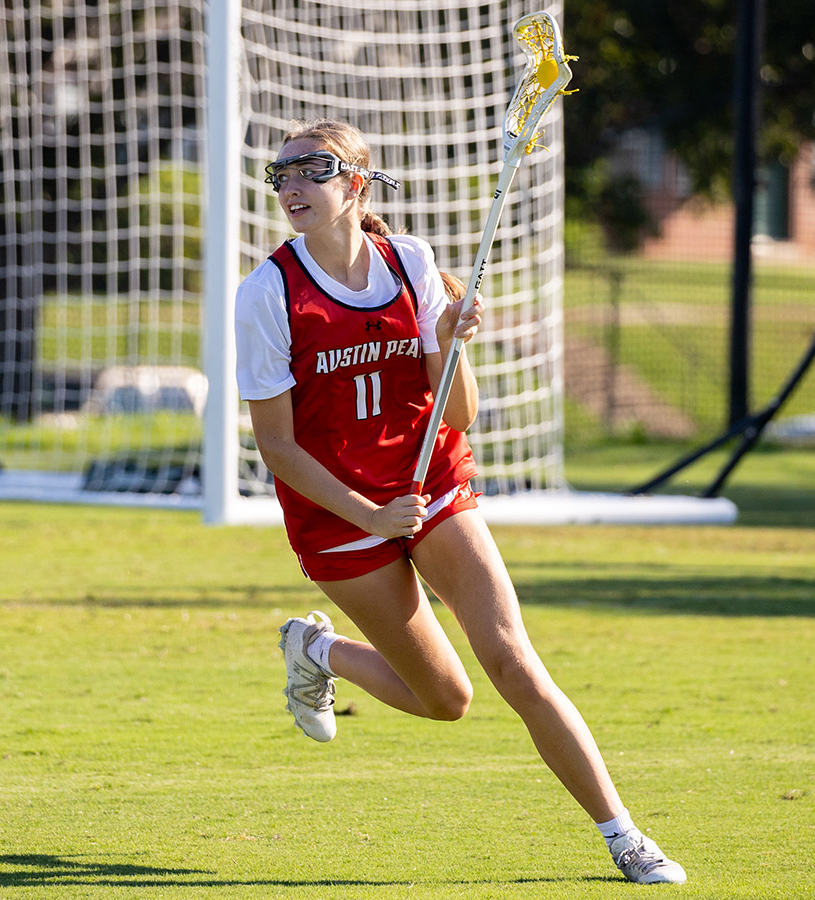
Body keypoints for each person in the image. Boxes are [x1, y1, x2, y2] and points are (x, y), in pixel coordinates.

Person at [234, 118, 687, 886]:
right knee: (446, 699)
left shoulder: (409, 262)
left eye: (311, 169)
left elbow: (460, 414)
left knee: (514, 660)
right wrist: (370, 515)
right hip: (338, 516)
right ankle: (316, 650)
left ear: (356, 183)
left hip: (431, 480)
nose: (291, 186)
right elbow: (277, 448)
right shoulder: (267, 293)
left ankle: (625, 836)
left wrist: (450, 342)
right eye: (281, 175)